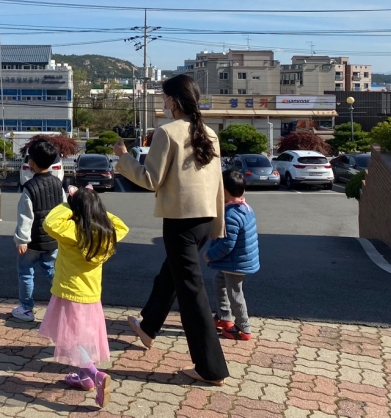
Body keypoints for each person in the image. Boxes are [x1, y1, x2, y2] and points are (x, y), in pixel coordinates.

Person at [113, 73, 229, 386]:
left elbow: (150, 179)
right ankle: (148, 327)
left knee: (193, 296)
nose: (162, 103)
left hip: (180, 223)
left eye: (164, 97)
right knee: (172, 275)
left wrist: (124, 160)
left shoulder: (167, 132)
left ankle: (211, 368)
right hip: (204, 222)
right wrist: (218, 225)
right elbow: (217, 185)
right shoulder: (209, 133)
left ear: (174, 101)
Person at [39, 187, 128, 409]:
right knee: (84, 337)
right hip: (91, 294)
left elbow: (50, 222)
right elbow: (122, 225)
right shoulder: (106, 232)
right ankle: (84, 378)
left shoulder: (74, 231)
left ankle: (94, 374)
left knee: (69, 338)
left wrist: (71, 202)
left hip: (69, 291)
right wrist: (94, 205)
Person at [12, 140, 66, 322]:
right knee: (52, 272)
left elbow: (25, 217)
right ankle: (64, 304)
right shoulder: (58, 184)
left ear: (32, 163)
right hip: (53, 240)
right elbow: (64, 211)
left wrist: (21, 240)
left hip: (32, 243)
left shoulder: (29, 188)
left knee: (26, 273)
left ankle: (26, 309)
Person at [206, 168, 260, 341]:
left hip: (235, 263)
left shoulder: (231, 214)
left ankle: (243, 327)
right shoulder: (245, 207)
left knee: (235, 294)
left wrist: (210, 255)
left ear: (224, 191)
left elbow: (227, 244)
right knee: (219, 282)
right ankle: (224, 317)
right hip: (238, 260)